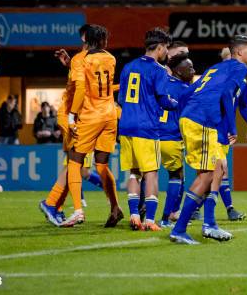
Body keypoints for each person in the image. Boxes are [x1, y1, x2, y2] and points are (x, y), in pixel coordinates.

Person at [169, 36, 247, 245]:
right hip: (203, 121)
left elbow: (186, 93)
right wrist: (233, 128)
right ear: (239, 53)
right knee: (209, 174)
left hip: (192, 119)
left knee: (215, 171)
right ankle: (180, 229)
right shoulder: (239, 68)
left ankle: (210, 224)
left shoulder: (216, 68)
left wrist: (183, 119)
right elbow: (226, 93)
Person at [39, 25, 104, 227]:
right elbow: (81, 89)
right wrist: (73, 117)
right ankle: (51, 204)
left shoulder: (81, 60)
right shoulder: (84, 59)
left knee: (74, 165)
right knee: (75, 166)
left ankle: (55, 205)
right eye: (100, 38)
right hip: (76, 116)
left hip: (76, 115)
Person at [60, 25, 123, 227]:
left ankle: (78, 210)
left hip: (90, 116)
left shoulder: (82, 59)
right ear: (103, 41)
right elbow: (99, 84)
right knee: (102, 165)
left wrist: (72, 116)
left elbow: (80, 88)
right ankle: (115, 207)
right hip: (109, 115)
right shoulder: (111, 58)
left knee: (74, 162)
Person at [118, 28, 178, 231]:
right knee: (151, 174)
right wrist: (175, 103)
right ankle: (150, 220)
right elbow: (163, 100)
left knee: (134, 173)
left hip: (126, 126)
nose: (167, 54)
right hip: (146, 128)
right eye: (166, 49)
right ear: (160, 47)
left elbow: (121, 99)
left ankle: (134, 215)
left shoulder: (128, 67)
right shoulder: (158, 70)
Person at [214, 45, 247, 221]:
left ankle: (199, 209)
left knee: (216, 172)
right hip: (212, 129)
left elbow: (243, 106)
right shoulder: (215, 79)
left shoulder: (242, 83)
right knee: (219, 170)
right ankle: (224, 211)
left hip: (224, 132)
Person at [158, 52, 195, 228]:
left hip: (151, 136)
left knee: (143, 175)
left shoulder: (161, 83)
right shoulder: (186, 90)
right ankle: (166, 218)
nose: (193, 71)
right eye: (190, 68)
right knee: (176, 176)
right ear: (179, 71)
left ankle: (141, 214)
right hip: (171, 138)